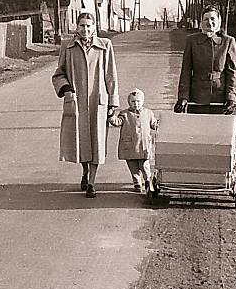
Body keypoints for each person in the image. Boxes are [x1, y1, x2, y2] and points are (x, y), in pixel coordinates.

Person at [52, 12, 119, 198]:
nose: (85, 29)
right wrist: (66, 88)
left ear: (94, 26)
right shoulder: (68, 46)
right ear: (77, 26)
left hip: (99, 101)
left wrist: (113, 103)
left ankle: (92, 182)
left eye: (89, 26)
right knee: (81, 141)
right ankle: (85, 172)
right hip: (78, 101)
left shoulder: (105, 46)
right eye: (82, 25)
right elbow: (58, 74)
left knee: (97, 142)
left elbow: (111, 76)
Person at [174, 4, 236, 115]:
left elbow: (233, 73)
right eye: (206, 20)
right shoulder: (192, 41)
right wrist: (183, 98)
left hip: (220, 100)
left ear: (219, 20)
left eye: (213, 19)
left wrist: (231, 98)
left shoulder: (228, 42)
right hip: (197, 99)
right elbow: (186, 72)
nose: (209, 23)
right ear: (201, 22)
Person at [108, 88, 159, 194]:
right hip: (130, 146)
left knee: (144, 165)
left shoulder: (148, 113)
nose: (136, 104)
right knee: (133, 166)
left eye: (138, 101)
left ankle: (148, 181)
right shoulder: (125, 114)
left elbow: (154, 124)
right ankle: (137, 182)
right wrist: (111, 115)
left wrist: (160, 125)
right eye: (133, 101)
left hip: (143, 145)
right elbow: (117, 122)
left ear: (142, 101)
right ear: (129, 102)